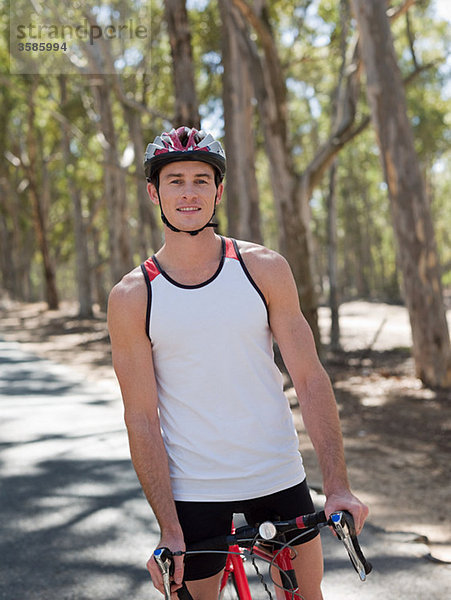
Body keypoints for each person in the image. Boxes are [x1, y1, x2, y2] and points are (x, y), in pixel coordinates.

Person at [107, 126, 368, 600]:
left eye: (201, 180)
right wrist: (168, 528)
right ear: (154, 192)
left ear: (218, 190)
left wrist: (338, 487)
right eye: (176, 180)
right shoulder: (132, 296)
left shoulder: (263, 268)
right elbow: (141, 418)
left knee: (307, 596)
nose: (189, 192)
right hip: (193, 492)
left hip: (278, 475)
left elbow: (309, 380)